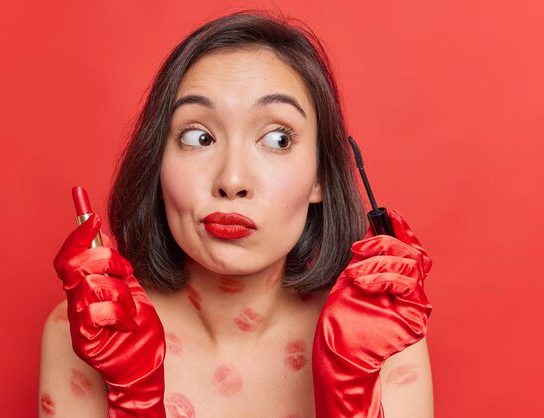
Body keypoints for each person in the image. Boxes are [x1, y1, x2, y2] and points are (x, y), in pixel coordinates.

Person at [40, 11, 434, 418]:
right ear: (156, 163)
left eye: (278, 139)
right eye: (199, 137)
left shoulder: (382, 339)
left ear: (320, 176)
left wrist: (352, 390)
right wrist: (134, 398)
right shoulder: (91, 330)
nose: (231, 179)